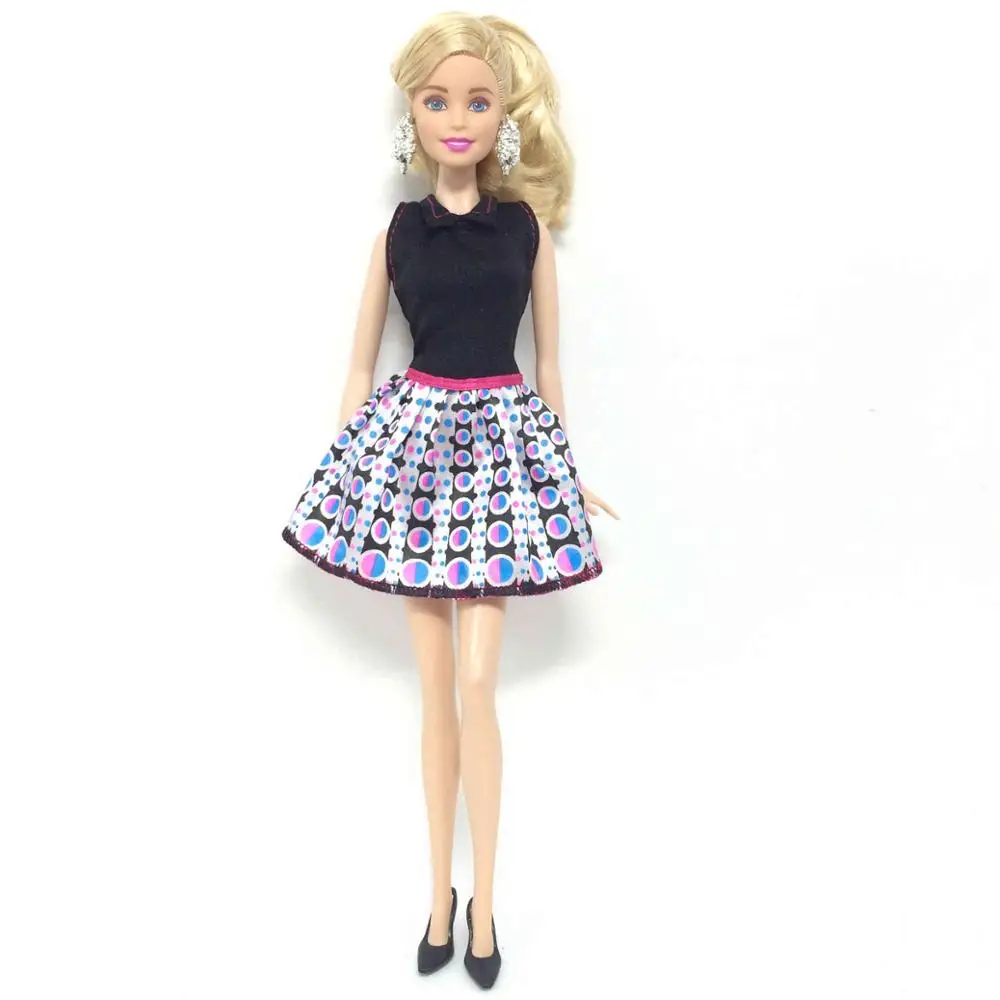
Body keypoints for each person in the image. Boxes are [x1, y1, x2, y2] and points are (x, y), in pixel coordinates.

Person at [281, 11, 619, 989]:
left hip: (500, 458)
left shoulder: (525, 232)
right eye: (437, 101)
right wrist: (349, 462)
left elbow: (548, 365)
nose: (457, 118)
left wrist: (563, 468)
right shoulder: (396, 234)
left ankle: (486, 903)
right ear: (413, 117)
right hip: (416, 460)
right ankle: (439, 896)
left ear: (504, 114)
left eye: (475, 101)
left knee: (477, 686)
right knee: (436, 691)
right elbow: (360, 364)